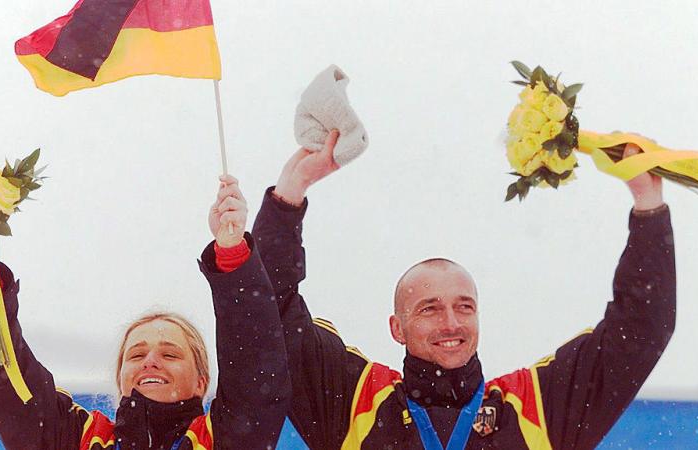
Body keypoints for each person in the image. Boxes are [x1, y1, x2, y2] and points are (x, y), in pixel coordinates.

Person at [251, 131, 675, 449]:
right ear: (397, 327)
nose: (451, 322)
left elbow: (638, 333)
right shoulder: (355, 402)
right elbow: (270, 314)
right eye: (429, 309)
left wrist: (648, 206)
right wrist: (289, 196)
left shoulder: (533, 408)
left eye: (464, 307)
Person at [0, 176, 291, 450]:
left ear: (202, 382)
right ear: (120, 378)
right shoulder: (82, 441)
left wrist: (231, 254)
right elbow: (10, 391)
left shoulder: (224, 440)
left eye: (170, 354)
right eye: (136, 354)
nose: (150, 361)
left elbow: (257, 369)